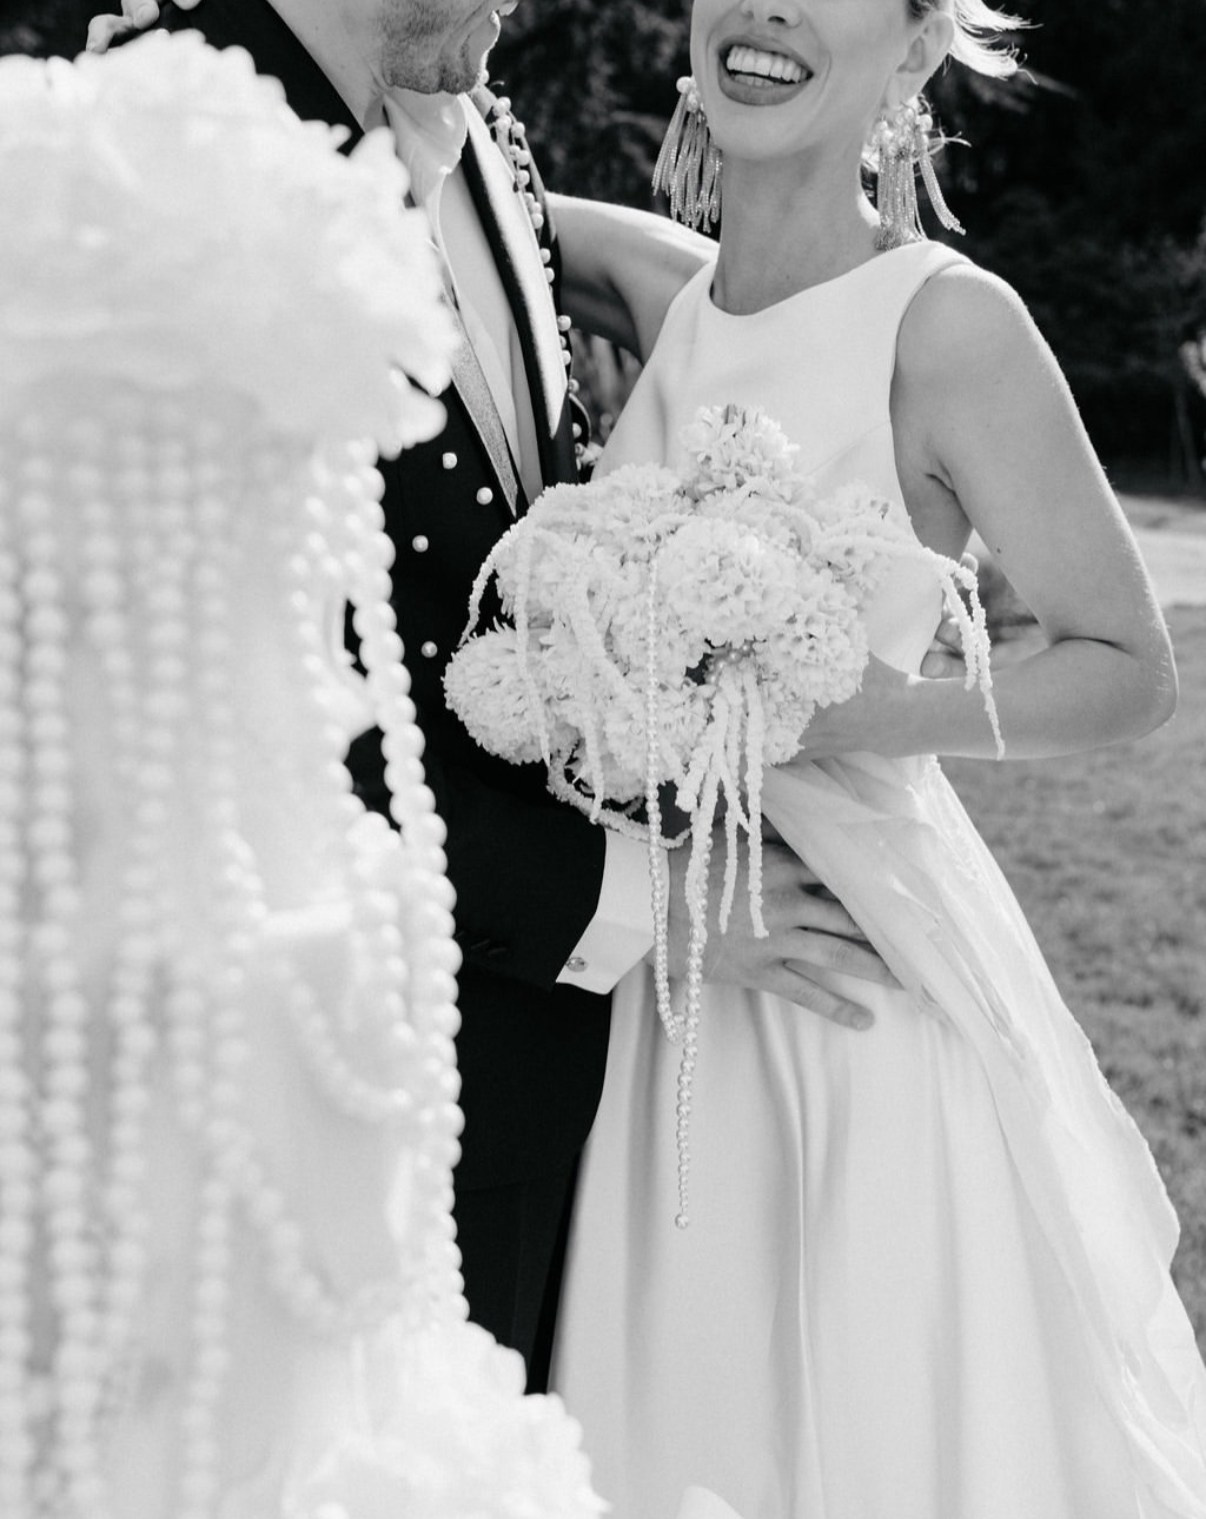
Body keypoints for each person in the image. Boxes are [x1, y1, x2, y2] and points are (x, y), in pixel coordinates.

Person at [86, 0, 908, 1395]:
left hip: (522, 1081)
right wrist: (651, 899)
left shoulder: (480, 130)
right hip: (287, 1097)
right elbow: (200, 718)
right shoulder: (160, 157)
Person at [547, 1, 1206, 1516]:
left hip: (849, 974)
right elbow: (441, 168)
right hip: (661, 956)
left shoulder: (946, 324)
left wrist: (840, 712)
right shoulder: (659, 291)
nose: (765, 10)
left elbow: (1126, 672)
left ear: (914, 49)